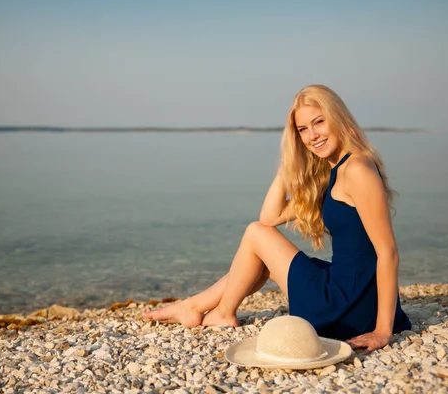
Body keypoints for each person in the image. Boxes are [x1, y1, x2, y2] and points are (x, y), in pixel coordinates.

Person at [143, 84, 411, 353]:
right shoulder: (335, 172)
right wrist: (291, 162)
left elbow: (387, 252)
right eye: (302, 130)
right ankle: (195, 307)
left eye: (319, 122)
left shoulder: (357, 169)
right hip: (350, 289)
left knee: (255, 234)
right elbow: (271, 216)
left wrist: (382, 330)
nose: (312, 135)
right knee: (259, 248)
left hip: (348, 302)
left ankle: (218, 312)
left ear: (338, 118)